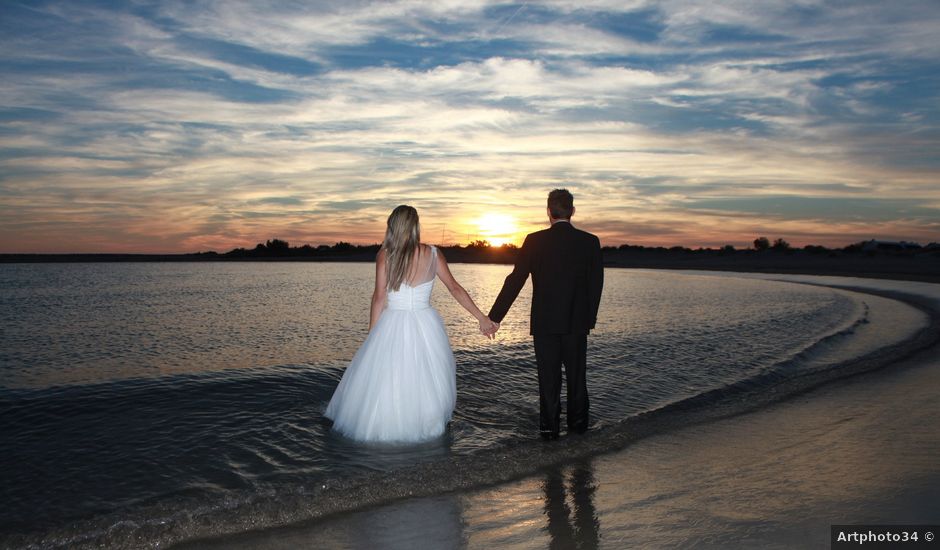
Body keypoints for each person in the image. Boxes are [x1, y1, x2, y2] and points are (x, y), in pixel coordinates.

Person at [325, 205, 498, 443]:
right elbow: (455, 288)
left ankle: (388, 429)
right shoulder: (433, 254)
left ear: (393, 226)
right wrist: (482, 319)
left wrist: (372, 338)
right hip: (426, 324)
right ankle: (427, 428)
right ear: (415, 226)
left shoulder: (385, 254)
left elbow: (379, 297)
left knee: (389, 379)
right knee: (427, 379)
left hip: (391, 323)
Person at [487, 189, 604, 440]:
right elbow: (596, 286)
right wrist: (589, 319)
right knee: (577, 379)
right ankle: (579, 432)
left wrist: (494, 317)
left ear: (548, 211)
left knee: (548, 383)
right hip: (576, 324)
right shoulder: (589, 242)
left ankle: (549, 434)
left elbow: (515, 280)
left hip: (545, 324)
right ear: (572, 211)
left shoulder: (534, 241)